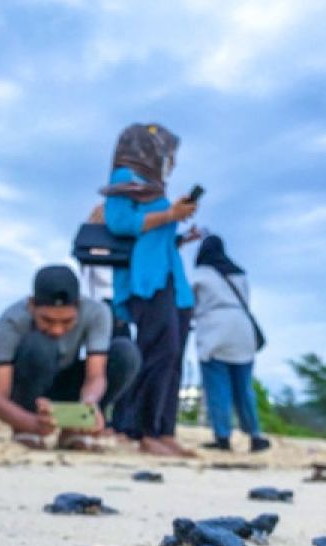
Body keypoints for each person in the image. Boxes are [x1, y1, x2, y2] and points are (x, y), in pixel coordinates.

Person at [102, 123, 198, 457]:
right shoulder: (125, 177)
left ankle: (164, 428)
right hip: (146, 278)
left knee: (174, 354)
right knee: (159, 349)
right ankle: (142, 429)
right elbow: (119, 222)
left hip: (172, 277)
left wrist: (178, 224)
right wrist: (170, 213)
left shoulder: (156, 187)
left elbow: (157, 236)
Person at [0, 265, 140, 451]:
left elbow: (96, 375)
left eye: (67, 321)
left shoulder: (97, 312)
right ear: (31, 305)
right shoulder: (12, 320)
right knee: (40, 345)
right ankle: (26, 430)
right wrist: (31, 422)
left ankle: (75, 427)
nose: (57, 330)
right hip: (29, 388)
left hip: (69, 386)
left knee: (125, 353)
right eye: (47, 321)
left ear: (79, 305)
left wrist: (89, 405)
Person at [192, 236, 269, 453]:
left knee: (218, 388)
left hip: (215, 330)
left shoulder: (200, 274)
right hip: (242, 331)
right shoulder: (240, 274)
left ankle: (223, 436)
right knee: (244, 389)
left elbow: (189, 303)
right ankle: (254, 434)